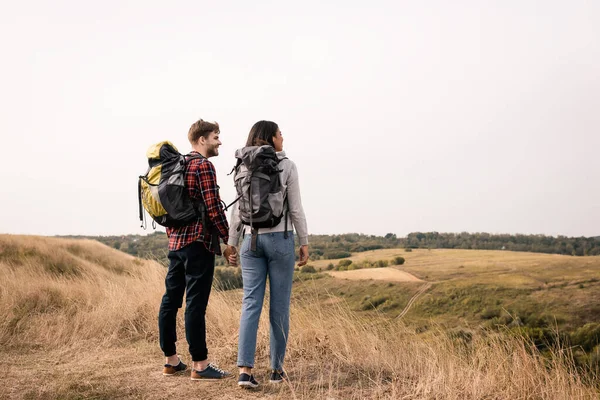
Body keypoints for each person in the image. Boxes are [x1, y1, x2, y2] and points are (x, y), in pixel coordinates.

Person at [225, 120, 309, 389]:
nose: (283, 139)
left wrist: (232, 242)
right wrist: (304, 241)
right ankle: (276, 370)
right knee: (279, 307)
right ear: (272, 139)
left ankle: (244, 371)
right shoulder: (286, 165)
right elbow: (295, 208)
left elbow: (237, 210)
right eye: (280, 134)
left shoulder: (242, 164)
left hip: (250, 240)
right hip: (280, 240)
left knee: (251, 304)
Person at [158, 119, 232, 380]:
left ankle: (171, 361)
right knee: (195, 305)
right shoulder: (203, 166)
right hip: (198, 244)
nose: (219, 141)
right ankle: (200, 365)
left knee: (170, 301)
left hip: (175, 245)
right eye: (216, 136)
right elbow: (213, 209)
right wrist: (227, 240)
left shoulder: (175, 166)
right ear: (202, 139)